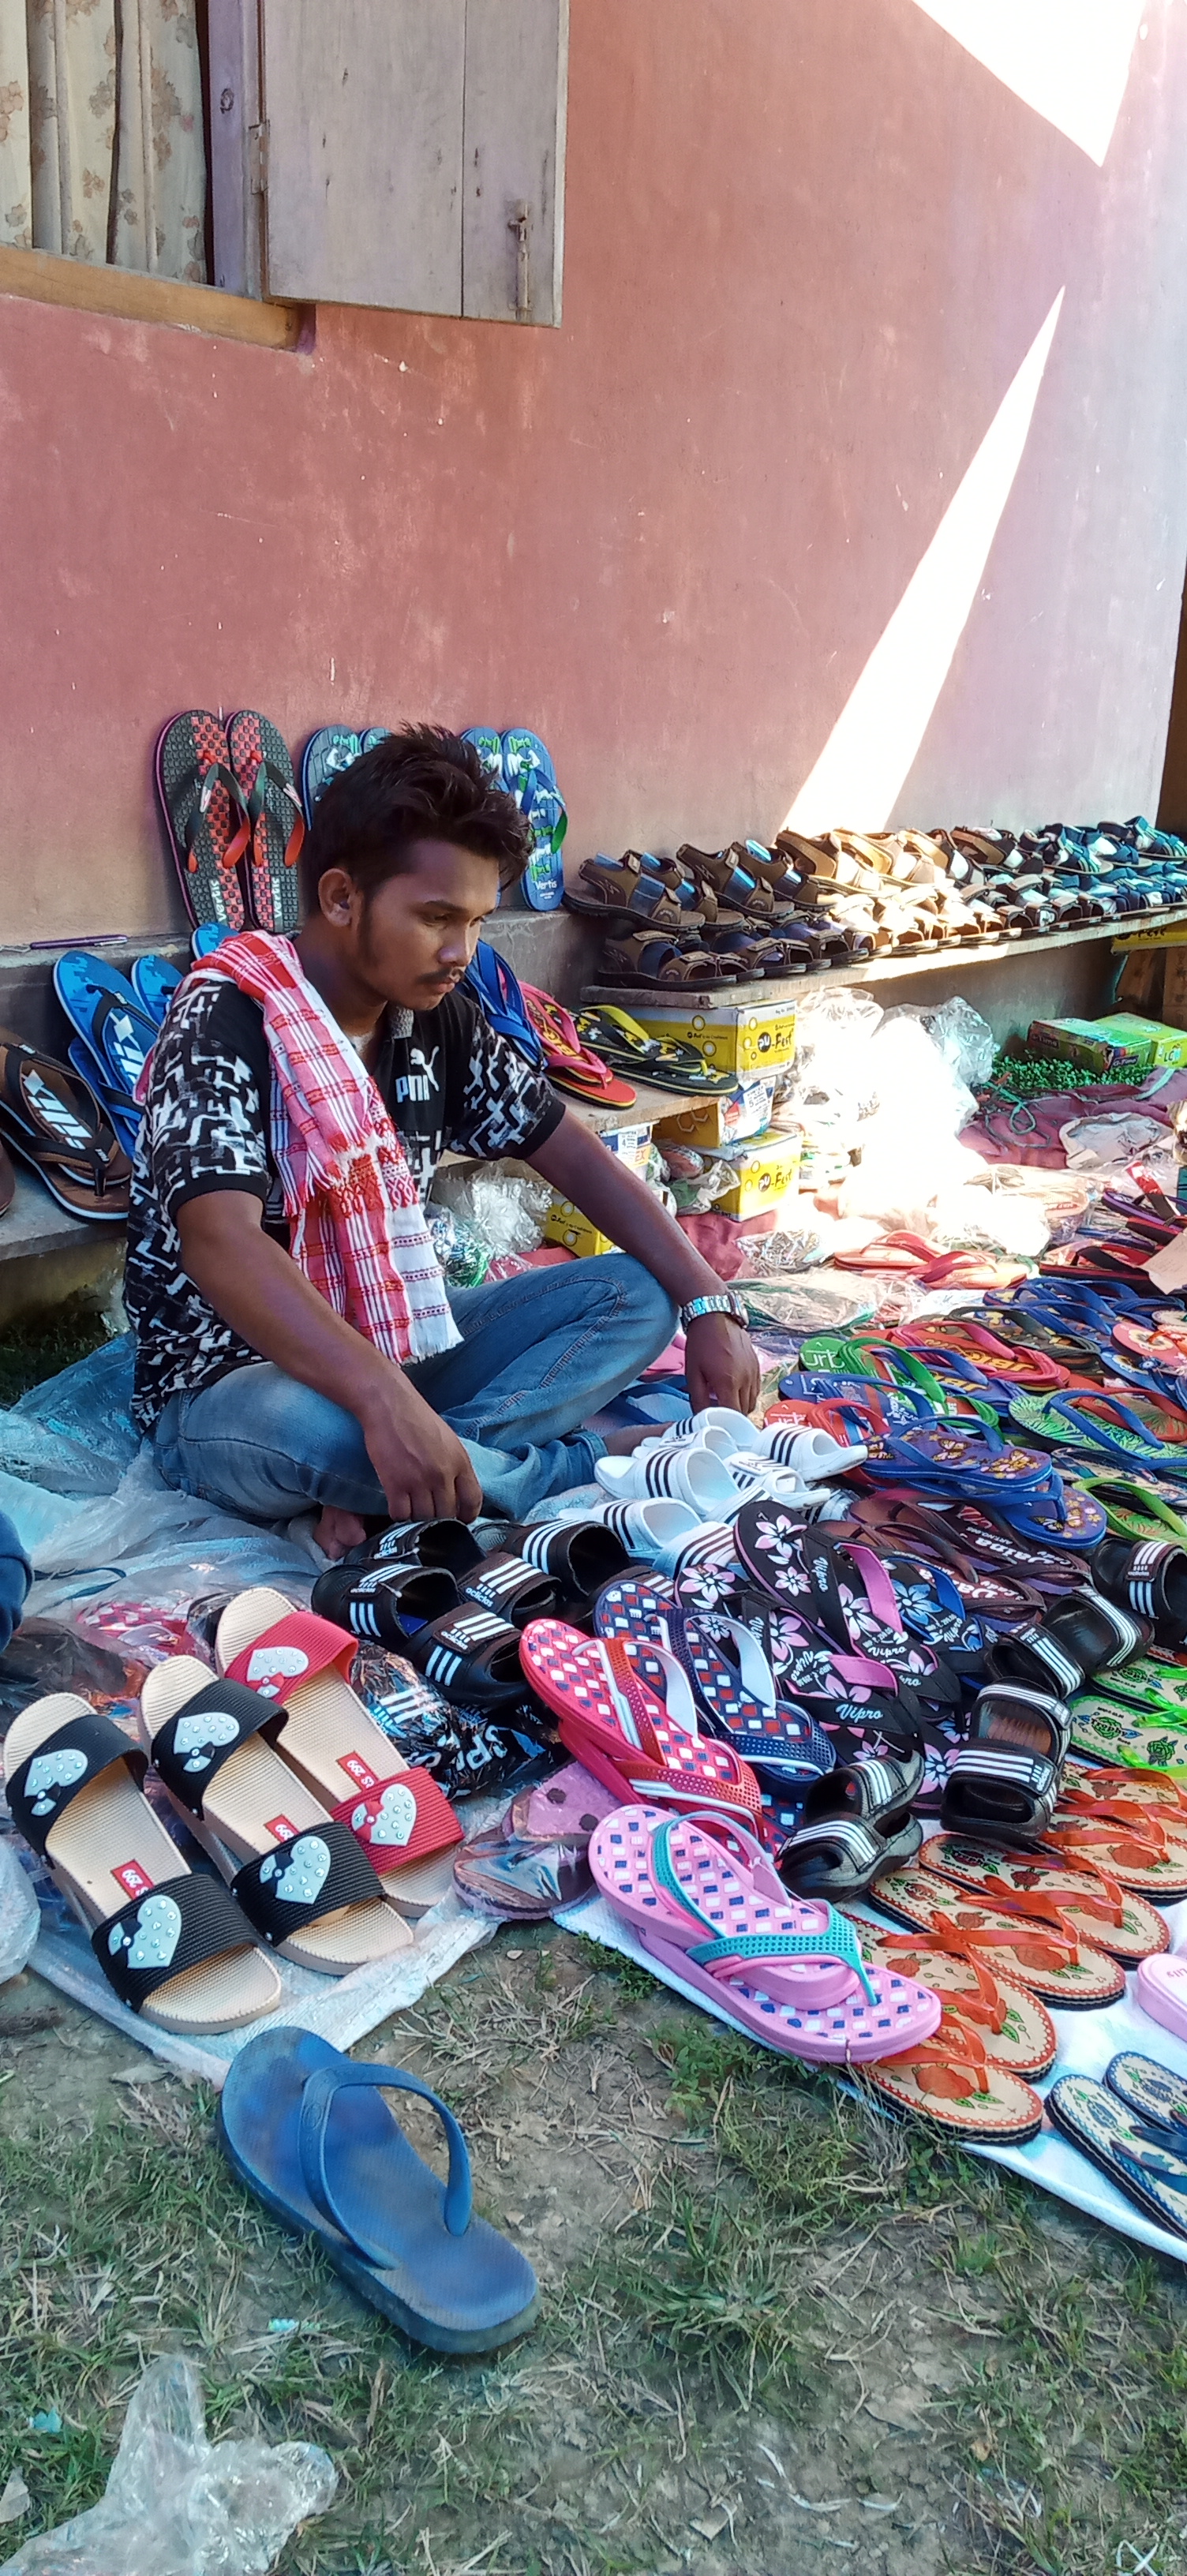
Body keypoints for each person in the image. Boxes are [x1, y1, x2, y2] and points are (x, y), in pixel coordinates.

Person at [125, 726, 760, 1557]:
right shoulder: (225, 1017)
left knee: (639, 1293)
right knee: (297, 1422)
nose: (461, 953)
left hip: (392, 1343)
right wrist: (381, 1399)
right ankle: (551, 1471)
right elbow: (220, 1244)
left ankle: (412, 1477)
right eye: (435, 918)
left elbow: (571, 1153)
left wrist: (708, 1302)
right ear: (342, 897)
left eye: (476, 922)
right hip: (228, 1389)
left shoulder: (436, 1019)